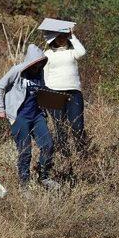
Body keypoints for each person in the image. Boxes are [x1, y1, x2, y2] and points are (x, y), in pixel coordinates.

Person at [0, 44, 60, 191]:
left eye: (41, 63)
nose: (38, 66)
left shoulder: (40, 73)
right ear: (31, 61)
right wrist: (1, 109)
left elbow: (41, 91)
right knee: (25, 152)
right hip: (20, 117)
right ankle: (24, 186)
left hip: (37, 116)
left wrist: (57, 98)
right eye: (36, 63)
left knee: (48, 145)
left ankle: (44, 177)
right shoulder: (17, 71)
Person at [43, 28, 87, 157]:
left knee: (77, 126)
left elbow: (82, 52)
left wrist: (72, 35)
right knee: (60, 127)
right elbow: (45, 76)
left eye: (64, 36)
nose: (62, 39)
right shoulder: (47, 54)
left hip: (74, 93)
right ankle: (65, 156)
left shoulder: (72, 52)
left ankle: (82, 154)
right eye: (59, 37)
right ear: (53, 39)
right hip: (54, 92)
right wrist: (46, 96)